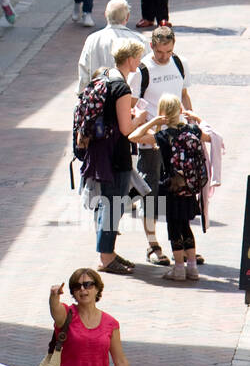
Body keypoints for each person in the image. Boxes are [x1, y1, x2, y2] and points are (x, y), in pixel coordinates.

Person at [76, 38, 145, 274]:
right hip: (116, 154)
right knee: (113, 205)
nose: (140, 61)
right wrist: (142, 117)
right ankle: (106, 257)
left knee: (106, 203)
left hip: (100, 152)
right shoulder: (122, 88)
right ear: (130, 59)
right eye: (138, 57)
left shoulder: (105, 77)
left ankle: (107, 252)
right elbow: (127, 129)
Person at [128, 25, 194, 268]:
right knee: (151, 192)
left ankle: (185, 244)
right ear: (152, 46)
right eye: (160, 52)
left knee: (181, 190)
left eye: (169, 51)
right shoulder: (142, 70)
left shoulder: (179, 63)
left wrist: (191, 119)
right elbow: (133, 106)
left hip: (178, 138)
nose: (164, 56)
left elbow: (184, 94)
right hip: (153, 143)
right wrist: (147, 127)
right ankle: (152, 244)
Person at [129, 97, 211, 282]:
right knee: (186, 226)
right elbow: (212, 136)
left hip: (172, 187)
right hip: (190, 187)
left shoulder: (163, 136)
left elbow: (133, 137)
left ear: (162, 112)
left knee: (174, 227)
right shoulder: (192, 130)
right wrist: (196, 118)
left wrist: (153, 121)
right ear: (179, 110)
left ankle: (179, 269)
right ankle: (192, 268)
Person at [77, 0, 143, 93]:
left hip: (99, 97)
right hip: (129, 97)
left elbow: (84, 71)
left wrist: (82, 93)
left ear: (106, 15)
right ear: (127, 16)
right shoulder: (139, 40)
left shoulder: (92, 39)